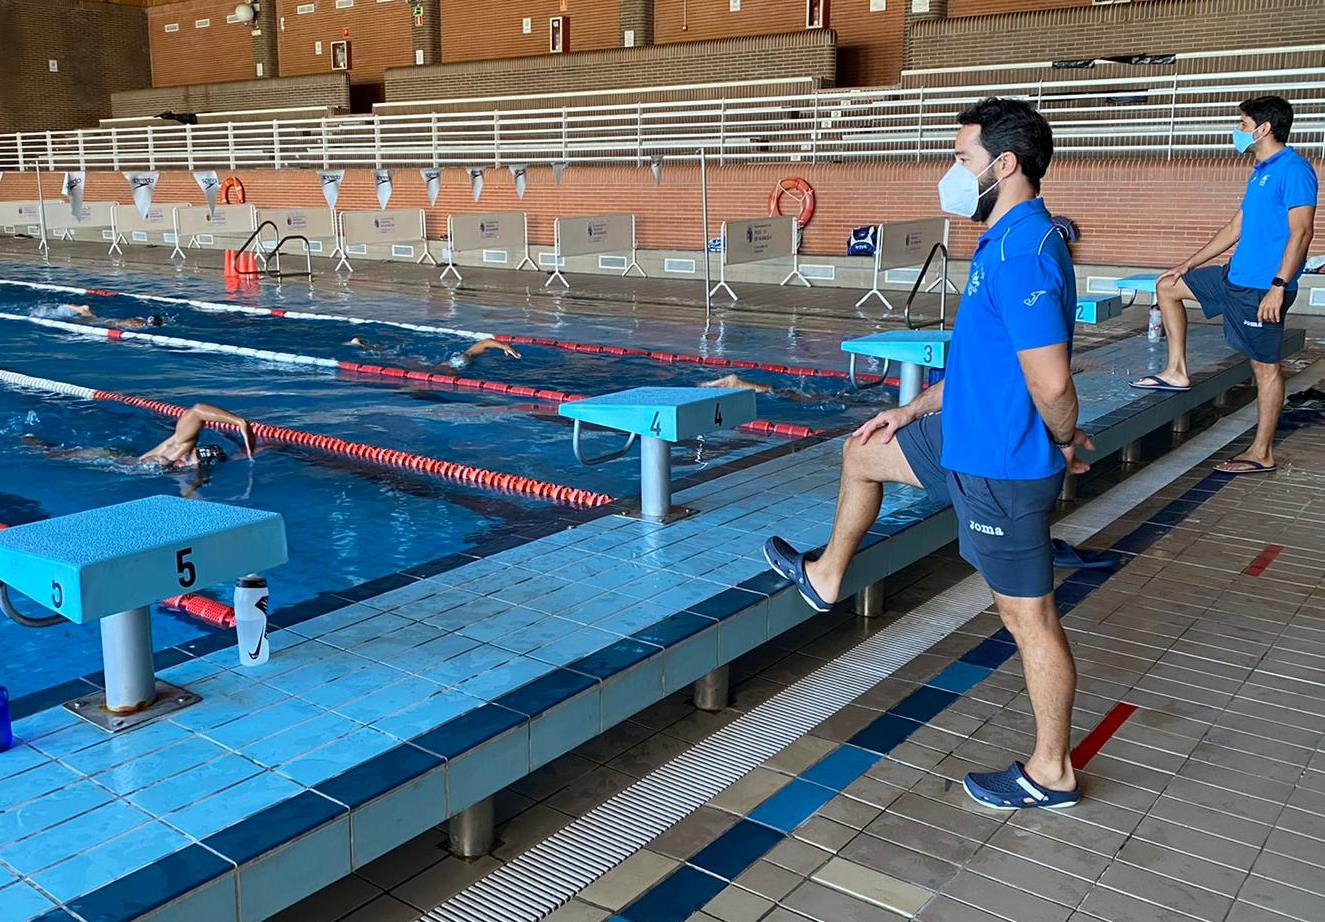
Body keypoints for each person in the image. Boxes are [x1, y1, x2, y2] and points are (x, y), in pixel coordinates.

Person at [765, 98, 1089, 811]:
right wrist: (911, 410)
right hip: (961, 437)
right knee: (864, 453)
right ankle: (826, 575)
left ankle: (1052, 772)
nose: (953, 172)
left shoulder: (1025, 253)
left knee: (1028, 619)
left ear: (1004, 165)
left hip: (998, 467)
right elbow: (983, 363)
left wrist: (1066, 439)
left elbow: (1051, 382)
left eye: (963, 159)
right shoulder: (1002, 240)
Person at [1130, 96, 1316, 475]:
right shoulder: (1260, 171)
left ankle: (1262, 452)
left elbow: (1302, 233)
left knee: (1265, 370)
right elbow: (1235, 227)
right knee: (1168, 287)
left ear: (1264, 129)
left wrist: (1278, 286)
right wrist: (1187, 264)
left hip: (1261, 290)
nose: (1237, 130)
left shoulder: (1294, 170)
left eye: (1242, 124)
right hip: (1232, 277)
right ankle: (1176, 371)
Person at [24, 403, 254, 471]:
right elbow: (196, 411)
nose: (186, 458)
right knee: (50, 455)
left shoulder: (187, 472)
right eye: (189, 455)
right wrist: (239, 422)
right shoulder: (176, 450)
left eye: (191, 459)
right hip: (109, 457)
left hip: (119, 461)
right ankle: (27, 439)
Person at [346, 336, 520, 370]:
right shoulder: (448, 369)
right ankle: (363, 346)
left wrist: (504, 346)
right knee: (391, 357)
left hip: (428, 365)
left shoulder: (464, 359)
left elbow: (485, 342)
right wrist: (504, 346)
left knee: (392, 356)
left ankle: (363, 346)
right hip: (428, 367)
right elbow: (485, 343)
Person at [32, 304, 166, 330]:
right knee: (78, 321)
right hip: (109, 323)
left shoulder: (140, 319)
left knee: (90, 317)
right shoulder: (138, 324)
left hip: (109, 321)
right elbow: (122, 325)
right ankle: (81, 309)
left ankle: (83, 309)